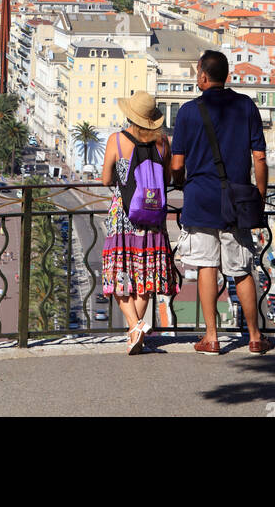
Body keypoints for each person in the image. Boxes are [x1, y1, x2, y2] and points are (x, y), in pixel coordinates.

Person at [171, 50, 270, 355]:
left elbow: (177, 163)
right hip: (236, 201)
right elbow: (260, 157)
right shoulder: (246, 106)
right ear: (226, 75)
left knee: (206, 266)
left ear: (202, 76)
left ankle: (211, 337)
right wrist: (260, 196)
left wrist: (180, 184)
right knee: (241, 269)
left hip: (200, 199)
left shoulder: (188, 112)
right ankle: (254, 336)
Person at [100, 91, 179, 354]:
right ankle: (137, 336)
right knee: (145, 276)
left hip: (123, 216)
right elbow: (167, 179)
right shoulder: (163, 143)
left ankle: (135, 325)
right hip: (153, 218)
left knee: (120, 274)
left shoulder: (117, 140)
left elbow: (105, 179)